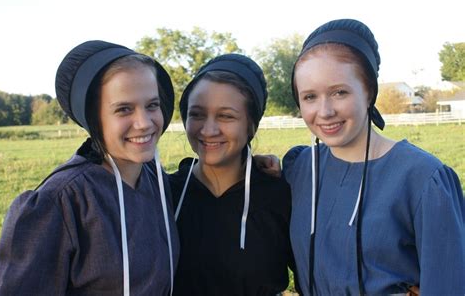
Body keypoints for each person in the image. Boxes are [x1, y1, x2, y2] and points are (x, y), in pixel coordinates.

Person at [282, 18, 465, 295]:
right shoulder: (301, 170)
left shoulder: (423, 179)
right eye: (309, 97)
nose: (325, 111)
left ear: (369, 92)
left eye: (339, 92)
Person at [0, 40, 179, 295]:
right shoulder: (60, 201)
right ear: (94, 117)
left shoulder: (155, 181)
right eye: (124, 109)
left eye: (152, 105)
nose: (144, 123)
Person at [169, 54, 294, 295]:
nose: (208, 129)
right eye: (197, 114)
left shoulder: (279, 195)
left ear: (251, 125)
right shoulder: (164, 194)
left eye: (226, 116)